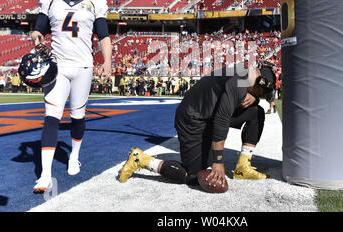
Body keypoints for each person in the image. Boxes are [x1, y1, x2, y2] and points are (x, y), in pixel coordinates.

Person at [118, 64, 276, 190]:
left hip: (208, 115)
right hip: (192, 119)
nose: (259, 96)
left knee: (256, 112)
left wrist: (255, 100)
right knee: (194, 176)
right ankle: (141, 160)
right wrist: (218, 161)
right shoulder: (239, 81)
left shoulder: (246, 74)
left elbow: (230, 106)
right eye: (260, 93)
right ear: (259, 83)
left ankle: (242, 167)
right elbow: (222, 120)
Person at [30, 0, 112, 193]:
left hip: (83, 66)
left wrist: (107, 61)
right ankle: (45, 175)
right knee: (51, 116)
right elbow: (40, 28)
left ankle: (73, 156)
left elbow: (104, 35)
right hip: (58, 66)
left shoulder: (96, 2)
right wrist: (36, 36)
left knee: (78, 116)